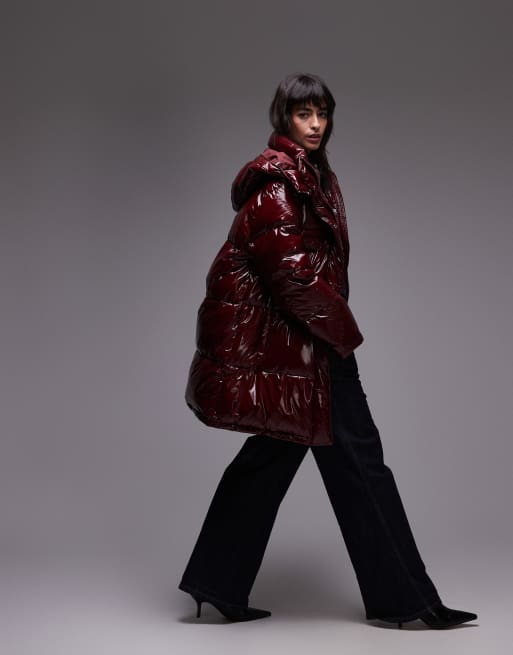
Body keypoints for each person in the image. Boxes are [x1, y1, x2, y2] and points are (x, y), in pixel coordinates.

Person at [178, 72, 477, 629]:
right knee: (361, 465)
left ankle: (215, 585)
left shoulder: (313, 176)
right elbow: (291, 277)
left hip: (303, 348)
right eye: (303, 114)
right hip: (307, 349)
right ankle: (408, 603)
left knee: (271, 463)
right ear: (283, 118)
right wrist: (344, 336)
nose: (315, 125)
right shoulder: (278, 185)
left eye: (322, 113)